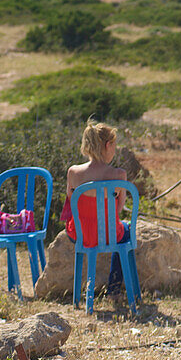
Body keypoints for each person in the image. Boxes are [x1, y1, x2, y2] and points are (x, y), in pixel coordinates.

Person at [61, 121, 130, 300]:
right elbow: (119, 208)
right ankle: (114, 290)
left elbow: (71, 201)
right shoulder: (119, 175)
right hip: (109, 235)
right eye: (114, 145)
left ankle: (79, 295)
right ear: (108, 145)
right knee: (126, 231)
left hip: (79, 234)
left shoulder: (73, 172)